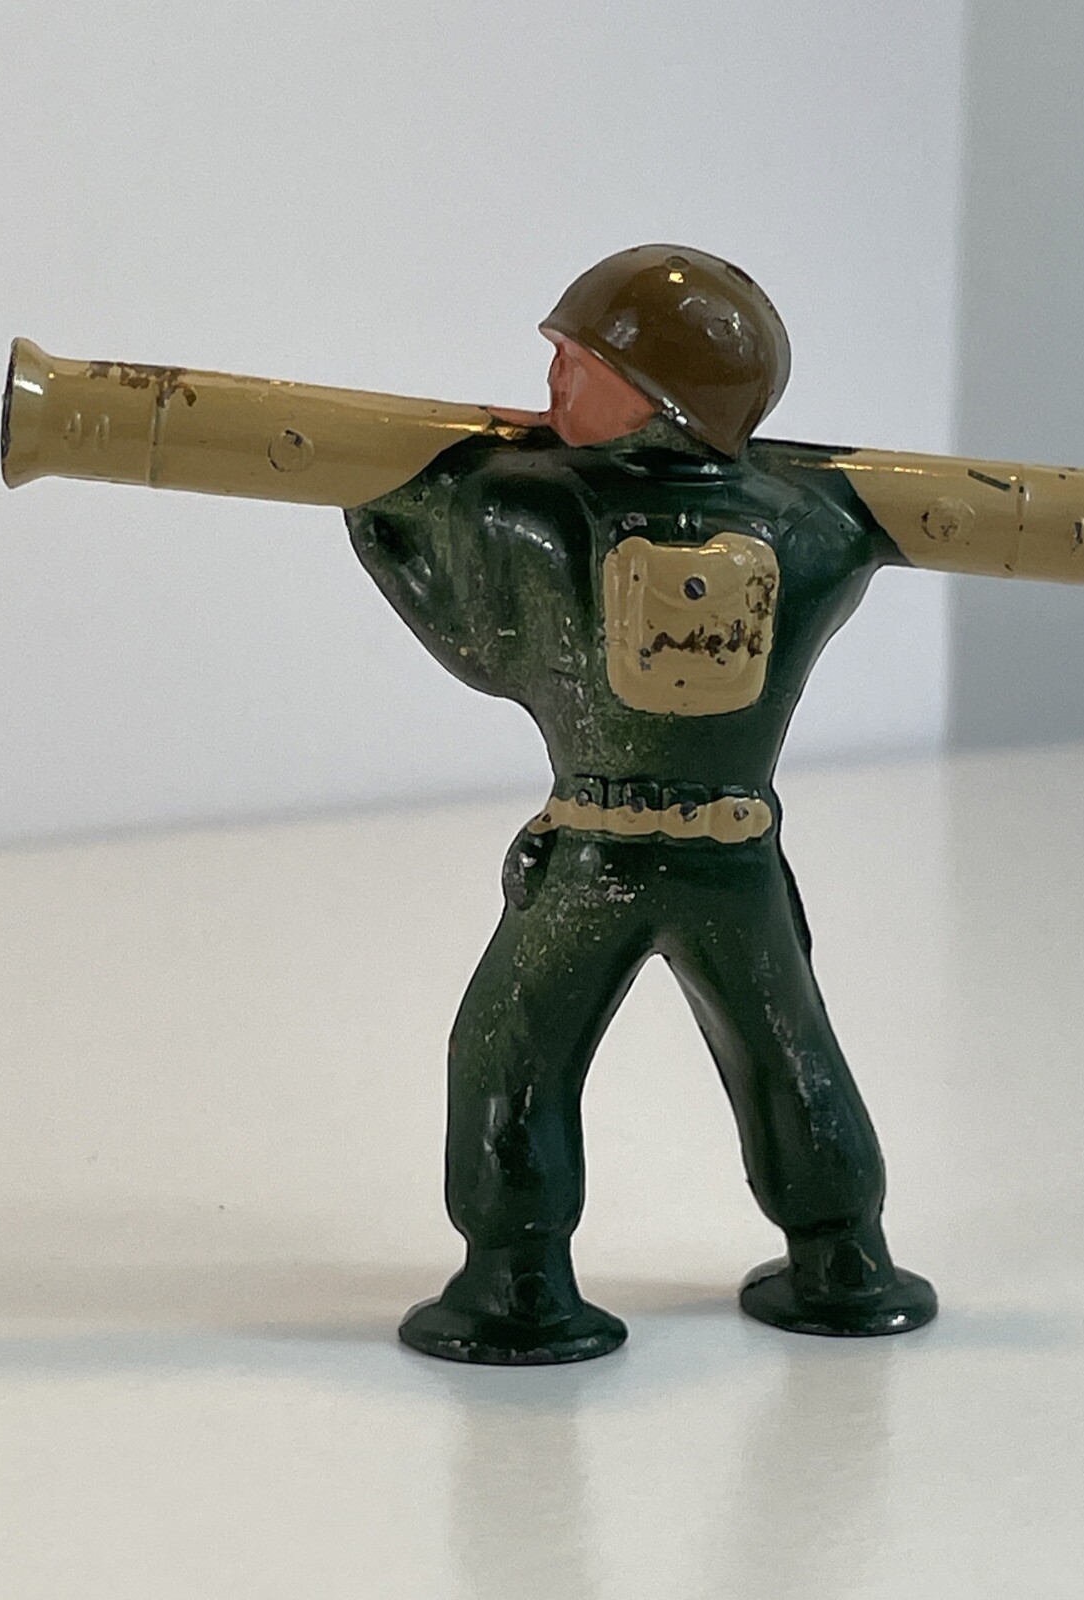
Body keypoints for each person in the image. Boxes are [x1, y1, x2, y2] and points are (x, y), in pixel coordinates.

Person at [345, 244, 939, 1363]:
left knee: (508, 1047)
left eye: (578, 364)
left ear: (656, 391)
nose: (552, 384)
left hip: (597, 858)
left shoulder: (533, 509)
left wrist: (383, 514)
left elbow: (485, 650)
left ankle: (516, 1273)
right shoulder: (816, 528)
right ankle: (841, 1254)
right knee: (785, 1044)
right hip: (737, 855)